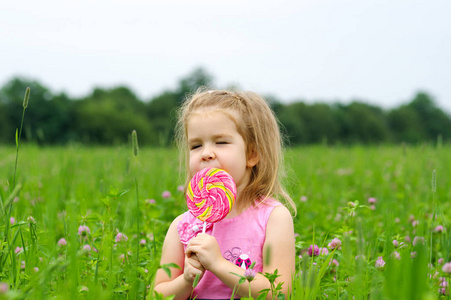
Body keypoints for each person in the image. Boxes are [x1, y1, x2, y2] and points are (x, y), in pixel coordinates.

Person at [154, 89, 296, 299]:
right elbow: (157, 293)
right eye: (196, 145)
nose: (206, 153)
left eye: (221, 142)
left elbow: (279, 292)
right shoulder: (182, 227)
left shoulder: (273, 218)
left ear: (252, 154)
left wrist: (219, 264)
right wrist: (186, 280)